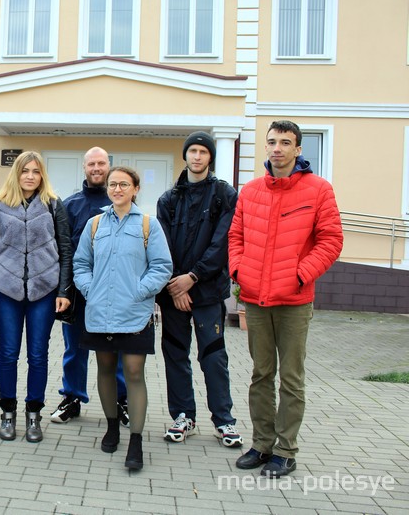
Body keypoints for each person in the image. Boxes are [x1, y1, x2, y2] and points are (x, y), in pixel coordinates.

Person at [229, 120, 343, 478]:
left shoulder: (319, 190)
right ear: (266, 147)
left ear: (298, 149)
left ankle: (286, 450)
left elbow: (331, 241)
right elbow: (235, 237)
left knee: (291, 378)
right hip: (256, 299)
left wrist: (299, 275)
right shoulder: (250, 191)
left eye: (285, 143)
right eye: (272, 142)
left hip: (294, 301)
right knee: (261, 374)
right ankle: (262, 444)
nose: (277, 148)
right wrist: (239, 272)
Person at [73, 166, 172, 470]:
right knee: (104, 368)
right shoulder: (94, 225)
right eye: (113, 184)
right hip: (100, 311)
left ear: (135, 188)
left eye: (124, 184)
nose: (117, 189)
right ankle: (112, 426)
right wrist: (91, 289)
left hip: (134, 312)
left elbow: (161, 266)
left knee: (133, 372)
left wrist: (140, 291)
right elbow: (80, 264)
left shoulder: (148, 225)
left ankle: (136, 441)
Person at [0, 151, 73, 442]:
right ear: (16, 174)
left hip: (44, 291)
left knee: (38, 355)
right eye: (25, 171)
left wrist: (63, 290)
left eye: (36, 171)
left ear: (42, 175)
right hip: (6, 290)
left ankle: (34, 415)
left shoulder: (54, 206)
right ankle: (8, 413)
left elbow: (66, 250)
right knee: (7, 353)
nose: (30, 176)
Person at [156, 132, 242, 448]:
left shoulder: (224, 195)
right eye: (192, 151)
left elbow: (222, 243)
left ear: (210, 157)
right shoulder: (168, 199)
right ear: (185, 156)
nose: (196, 156)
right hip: (173, 294)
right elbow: (162, 247)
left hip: (206, 293)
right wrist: (176, 286)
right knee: (176, 356)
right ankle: (183, 417)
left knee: (213, 356)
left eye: (202, 151)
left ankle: (224, 421)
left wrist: (192, 277)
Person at [51, 147, 128, 426]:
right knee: (75, 349)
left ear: (109, 166)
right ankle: (72, 398)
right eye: (91, 164)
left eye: (102, 163)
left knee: (115, 351)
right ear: (84, 168)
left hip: (115, 294)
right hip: (78, 293)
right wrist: (64, 291)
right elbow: (63, 251)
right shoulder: (70, 205)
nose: (97, 168)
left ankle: (121, 401)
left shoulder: (123, 203)